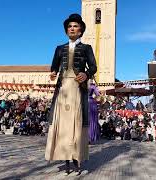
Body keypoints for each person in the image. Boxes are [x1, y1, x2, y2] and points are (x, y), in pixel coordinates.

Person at [45, 13, 97, 176]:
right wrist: (53, 74)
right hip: (63, 89)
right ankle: (65, 158)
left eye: (75, 26)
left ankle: (76, 156)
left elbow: (94, 67)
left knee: (76, 122)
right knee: (63, 125)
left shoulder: (86, 48)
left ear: (81, 30)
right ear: (66, 30)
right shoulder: (59, 48)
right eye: (70, 26)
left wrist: (86, 74)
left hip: (77, 88)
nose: (72, 28)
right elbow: (54, 67)